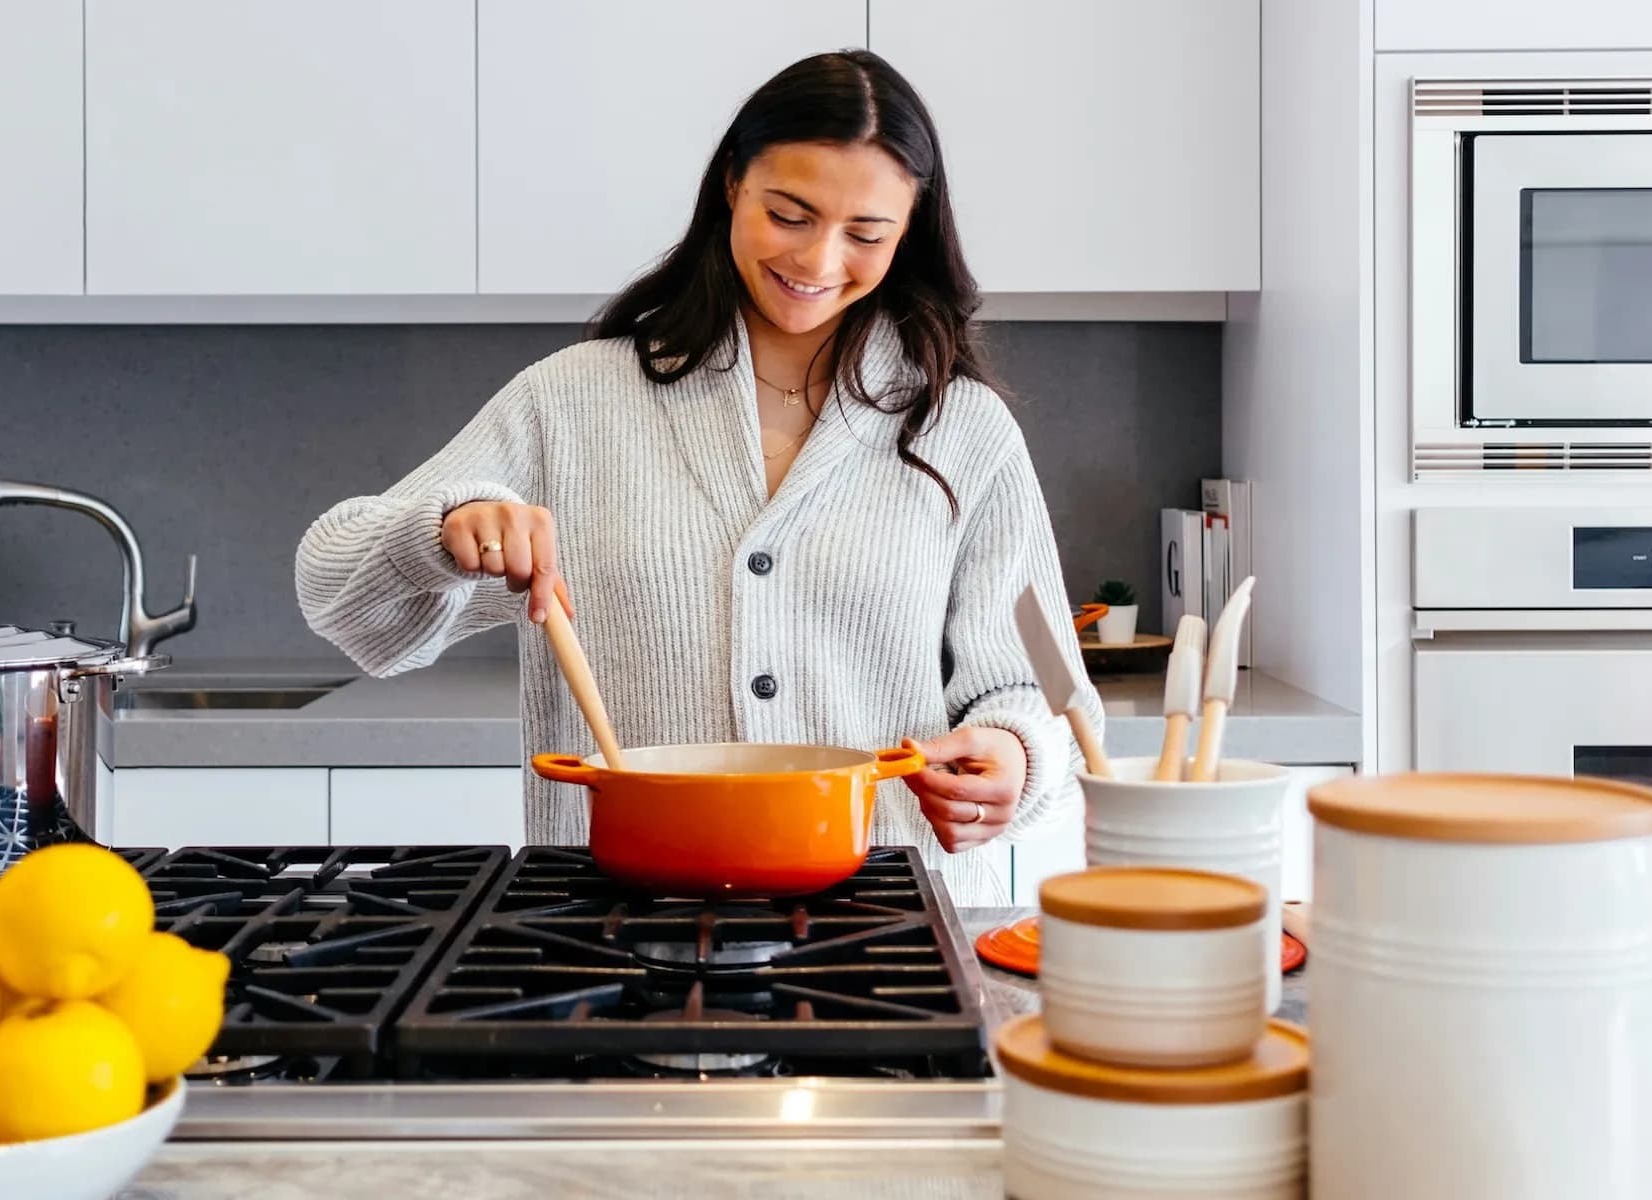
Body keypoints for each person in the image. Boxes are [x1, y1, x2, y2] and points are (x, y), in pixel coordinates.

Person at [294, 48, 1100, 906]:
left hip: (892, 931)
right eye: (790, 214)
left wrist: (1015, 756)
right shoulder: (575, 403)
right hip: (616, 926)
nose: (821, 260)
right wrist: (442, 534)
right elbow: (338, 598)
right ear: (730, 187)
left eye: (866, 234)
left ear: (909, 233)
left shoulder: (960, 427)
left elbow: (1045, 694)